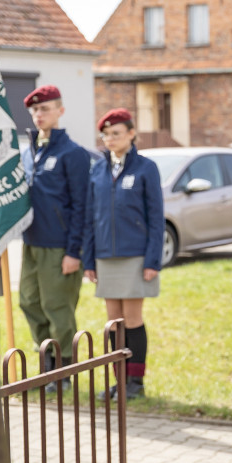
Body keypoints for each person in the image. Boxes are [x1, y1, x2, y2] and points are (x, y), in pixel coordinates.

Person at [83, 109, 164, 400]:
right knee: (113, 323)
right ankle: (118, 381)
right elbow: (90, 218)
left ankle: (135, 382)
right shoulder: (97, 170)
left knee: (132, 320)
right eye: (106, 134)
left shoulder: (146, 168)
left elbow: (156, 217)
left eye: (116, 133)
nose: (110, 139)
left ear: (131, 134)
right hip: (105, 256)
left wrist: (152, 260)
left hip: (135, 256)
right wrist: (89, 259)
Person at [19, 84, 90, 393]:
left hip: (60, 246)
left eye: (45, 109)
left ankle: (63, 372)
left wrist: (74, 251)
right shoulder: (28, 153)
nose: (39, 115)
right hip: (31, 243)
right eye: (35, 110)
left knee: (57, 306)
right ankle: (47, 361)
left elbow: (82, 205)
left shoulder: (72, 154)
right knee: (29, 301)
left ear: (60, 111)